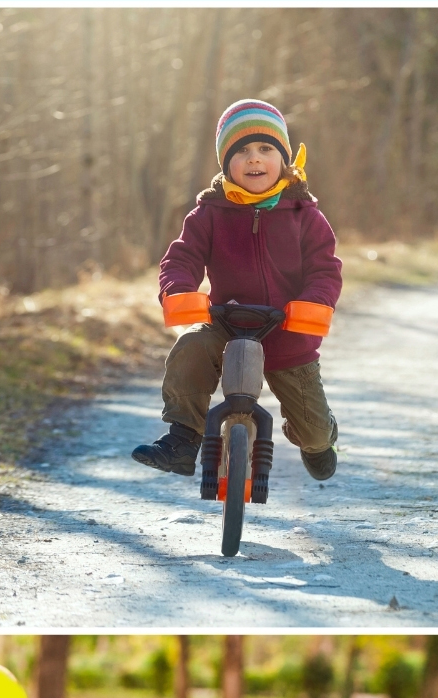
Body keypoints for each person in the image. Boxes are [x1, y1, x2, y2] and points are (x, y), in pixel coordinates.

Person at [134, 99, 344, 482]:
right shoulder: (209, 214)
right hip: (225, 323)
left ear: (283, 158)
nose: (254, 159)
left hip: (288, 333)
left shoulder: (304, 215)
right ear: (225, 163)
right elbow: (181, 259)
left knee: (312, 433)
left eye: (265, 149)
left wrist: (314, 303)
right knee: (192, 345)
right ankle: (183, 438)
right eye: (242, 151)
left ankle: (318, 436)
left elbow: (324, 268)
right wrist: (178, 290)